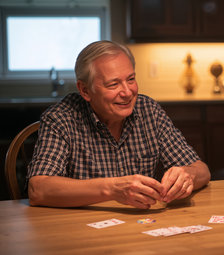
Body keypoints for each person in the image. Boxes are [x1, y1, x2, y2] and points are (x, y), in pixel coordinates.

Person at [27, 40, 210, 209]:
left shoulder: (148, 110)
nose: (127, 92)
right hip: (81, 230)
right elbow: (39, 189)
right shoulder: (61, 118)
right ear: (85, 90)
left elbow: (202, 171)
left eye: (130, 79)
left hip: (139, 225)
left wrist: (187, 175)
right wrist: (112, 189)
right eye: (113, 84)